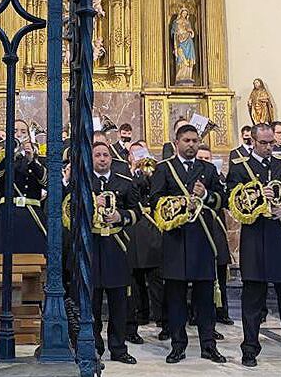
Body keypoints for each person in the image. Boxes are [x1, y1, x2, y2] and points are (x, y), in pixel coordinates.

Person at [228, 123, 281, 368]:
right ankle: (250, 349)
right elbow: (232, 200)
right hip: (255, 238)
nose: (268, 147)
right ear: (253, 142)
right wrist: (256, 196)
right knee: (253, 299)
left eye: (271, 143)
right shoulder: (240, 167)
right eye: (263, 143)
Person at [150, 124, 227, 364]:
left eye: (195, 140)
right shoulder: (164, 169)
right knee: (176, 298)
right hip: (176, 240)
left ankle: (208, 345)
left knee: (205, 299)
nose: (191, 144)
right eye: (187, 140)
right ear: (177, 143)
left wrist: (205, 196)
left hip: (202, 240)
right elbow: (155, 201)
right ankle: (178, 345)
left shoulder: (208, 169)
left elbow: (221, 199)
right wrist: (181, 205)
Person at [88, 142, 141, 365]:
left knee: (119, 303)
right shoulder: (83, 182)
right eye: (98, 155)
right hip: (92, 246)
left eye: (106, 155)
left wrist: (121, 216)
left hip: (116, 246)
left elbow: (137, 211)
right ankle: (93, 347)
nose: (102, 159)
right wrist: (93, 204)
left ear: (111, 159)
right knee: (92, 302)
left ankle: (118, 348)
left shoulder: (124, 182)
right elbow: (70, 209)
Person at [125, 141, 164, 344]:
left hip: (151, 227)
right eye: (135, 154)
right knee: (135, 278)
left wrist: (149, 173)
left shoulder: (154, 172)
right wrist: (133, 171)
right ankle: (140, 314)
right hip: (133, 229)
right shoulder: (125, 174)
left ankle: (163, 319)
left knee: (156, 277)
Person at [196, 144, 233, 330]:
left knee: (220, 272)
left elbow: (224, 200)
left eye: (206, 158)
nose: (203, 161)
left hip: (215, 228)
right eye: (200, 158)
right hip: (196, 229)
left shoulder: (216, 177)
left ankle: (222, 311)